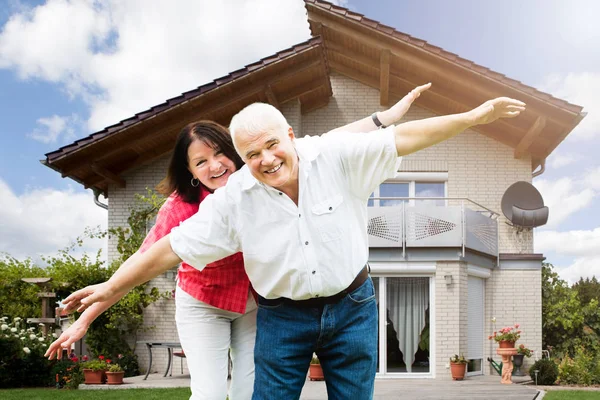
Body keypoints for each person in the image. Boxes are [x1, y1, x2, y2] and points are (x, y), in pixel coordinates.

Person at [62, 91, 525, 399]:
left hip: (353, 306)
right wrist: (108, 290)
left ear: (290, 135)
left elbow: (402, 137)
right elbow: (167, 250)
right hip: (281, 315)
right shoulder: (234, 199)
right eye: (251, 155)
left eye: (271, 145)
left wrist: (474, 116)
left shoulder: (334, 156)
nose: (265, 160)